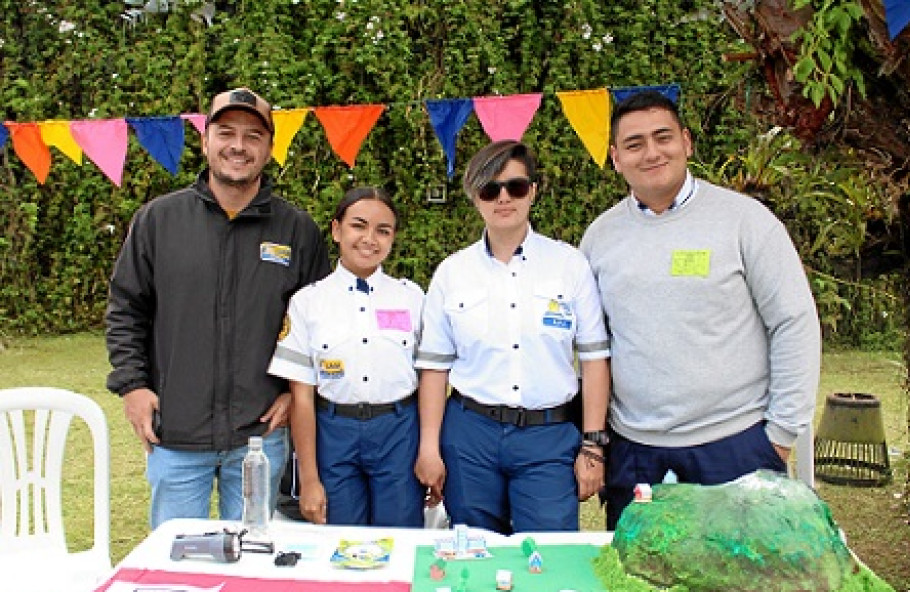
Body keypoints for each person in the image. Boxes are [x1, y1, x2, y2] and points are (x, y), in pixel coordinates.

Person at [580, 90, 822, 530]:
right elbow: (593, 346)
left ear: (687, 142)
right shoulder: (599, 237)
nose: (651, 152)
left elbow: (794, 322)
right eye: (634, 144)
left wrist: (780, 437)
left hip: (735, 445)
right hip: (635, 451)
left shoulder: (746, 222)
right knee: (640, 587)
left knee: (741, 586)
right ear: (615, 157)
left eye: (663, 137)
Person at [105, 87, 331, 529]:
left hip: (261, 438)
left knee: (252, 561)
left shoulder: (297, 230)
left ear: (268, 149)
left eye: (253, 136)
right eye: (226, 132)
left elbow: (319, 327)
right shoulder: (158, 221)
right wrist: (132, 386)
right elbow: (125, 310)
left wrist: (294, 392)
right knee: (176, 565)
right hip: (176, 432)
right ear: (205, 140)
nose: (238, 146)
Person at [414, 140, 611, 535]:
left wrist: (592, 446)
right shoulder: (452, 273)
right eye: (490, 188)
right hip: (471, 435)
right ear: (475, 197)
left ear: (533, 191)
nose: (503, 198)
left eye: (515, 187)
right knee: (474, 549)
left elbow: (594, 361)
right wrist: (429, 447)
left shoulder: (569, 265)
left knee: (551, 555)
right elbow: (434, 369)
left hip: (548, 436)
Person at [267, 187, 426, 527]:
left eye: (383, 230)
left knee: (401, 536)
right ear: (337, 230)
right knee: (340, 539)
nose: (370, 238)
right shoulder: (308, 302)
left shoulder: (412, 298)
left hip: (399, 432)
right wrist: (309, 478)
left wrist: (430, 451)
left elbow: (430, 380)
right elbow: (302, 397)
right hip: (334, 433)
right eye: (359, 226)